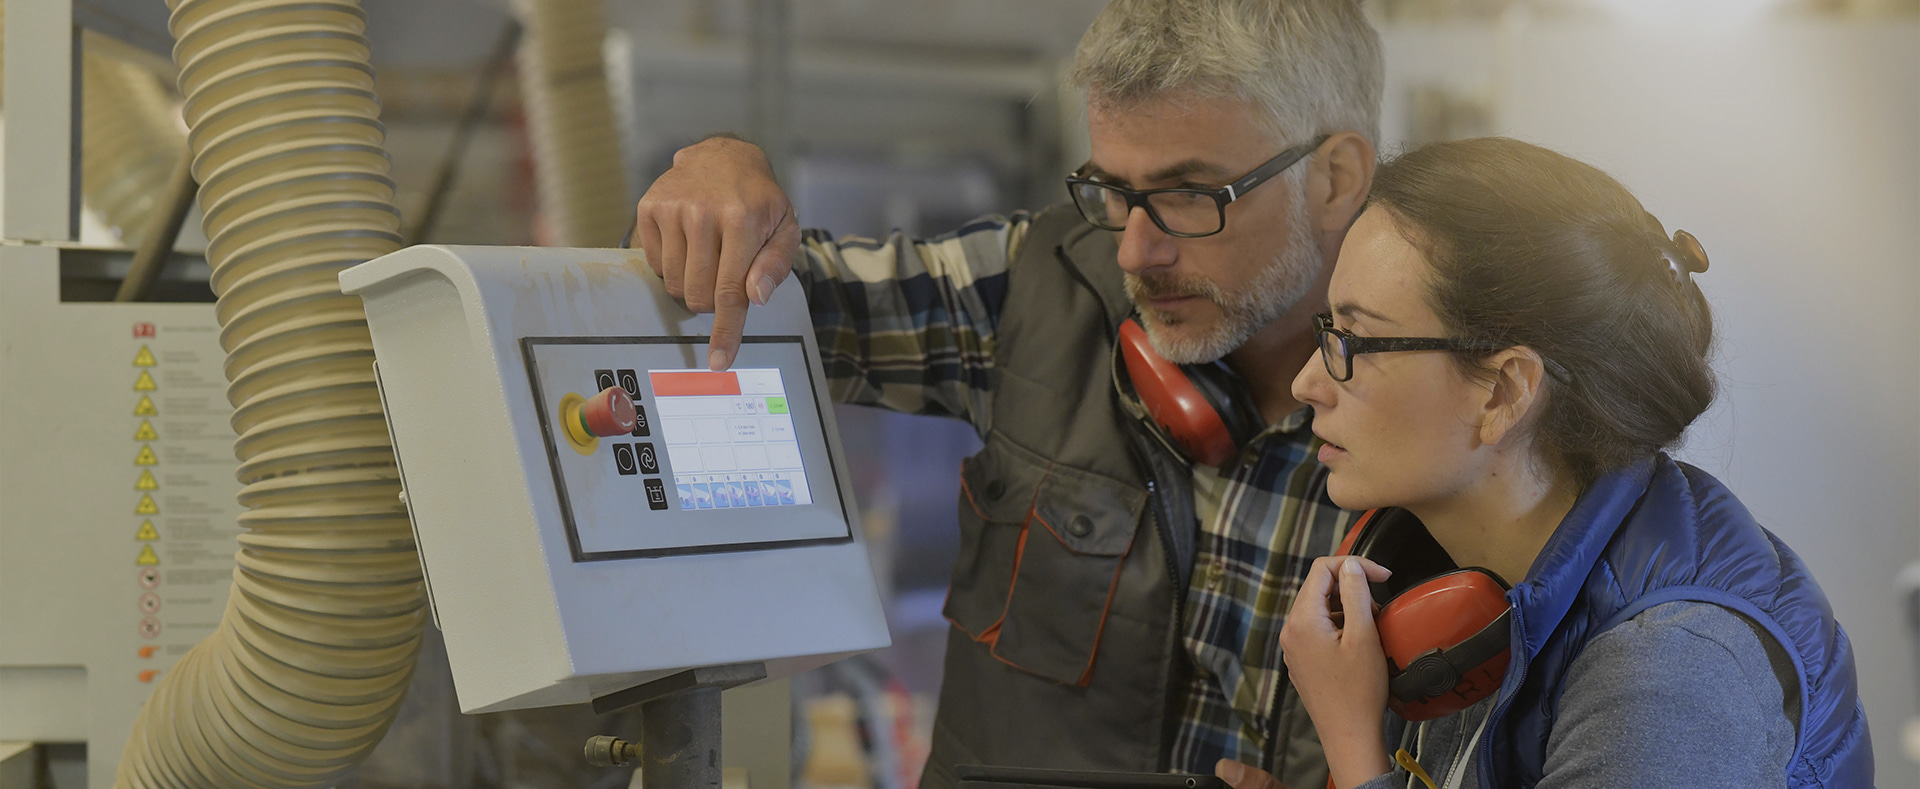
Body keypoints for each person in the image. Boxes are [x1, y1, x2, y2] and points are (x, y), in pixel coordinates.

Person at [629, 2, 1382, 787]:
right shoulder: (1039, 287)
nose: (1134, 248)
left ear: (1336, 179)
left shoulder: (1463, 405)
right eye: (1113, 190)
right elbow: (731, 302)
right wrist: (714, 195)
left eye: (1188, 194)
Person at [1268, 137, 1872, 788]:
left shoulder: (1666, 679)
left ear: (1504, 392)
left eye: (1352, 341)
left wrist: (1354, 751)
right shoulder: (1467, 571)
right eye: (1326, 329)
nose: (1307, 382)